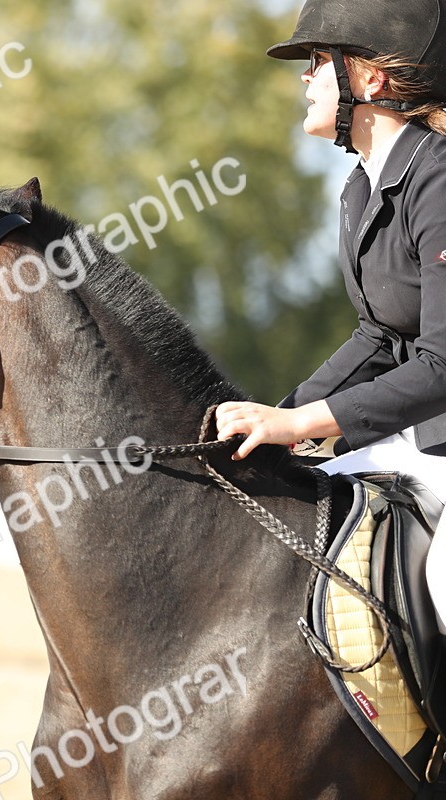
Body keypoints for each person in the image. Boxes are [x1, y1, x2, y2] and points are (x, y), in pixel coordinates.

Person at [213, 0, 446, 631]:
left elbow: (442, 365)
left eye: (318, 61)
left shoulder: (442, 180)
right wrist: (278, 421)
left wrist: (302, 422)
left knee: (445, 586)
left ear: (371, 80)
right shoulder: (359, 189)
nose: (304, 77)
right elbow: (378, 334)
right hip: (418, 439)